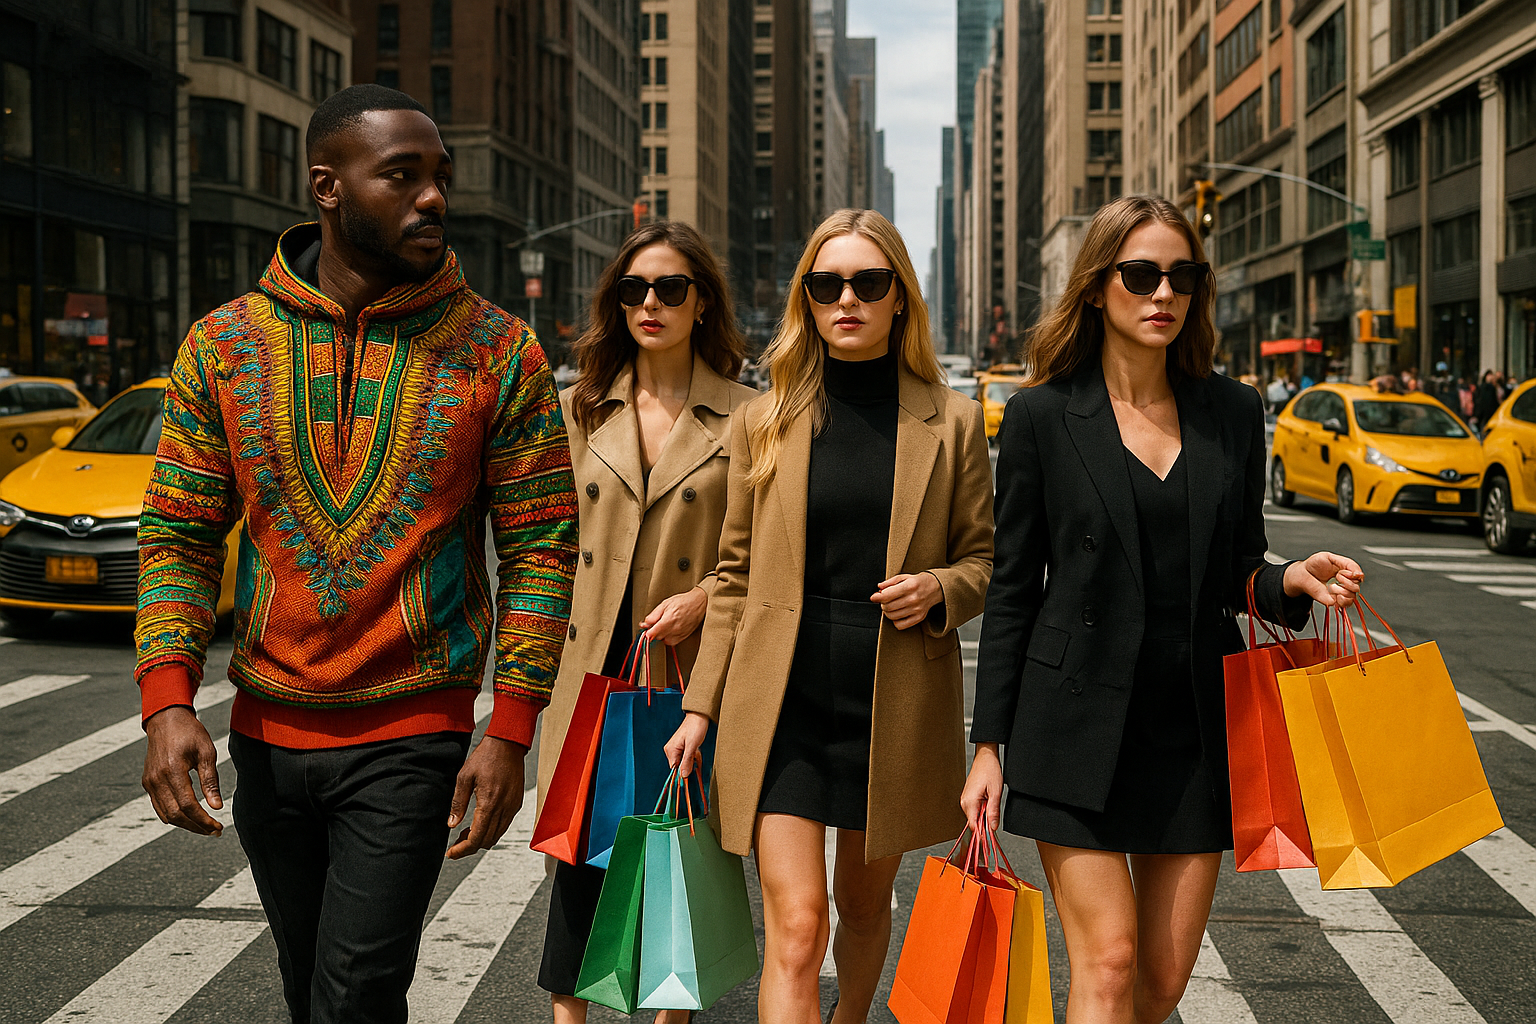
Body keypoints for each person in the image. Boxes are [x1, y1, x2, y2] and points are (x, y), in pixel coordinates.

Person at [135, 85, 579, 1024]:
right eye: (402, 176)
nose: (434, 196)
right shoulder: (223, 344)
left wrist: (511, 728)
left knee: (358, 994)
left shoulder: (500, 351)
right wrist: (167, 702)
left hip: (413, 736)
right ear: (327, 187)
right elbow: (179, 529)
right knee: (310, 990)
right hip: (266, 737)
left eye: (440, 176)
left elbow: (542, 545)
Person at [961, 194, 1362, 1024]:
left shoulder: (1232, 411)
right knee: (1107, 963)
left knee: (1162, 983)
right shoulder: (1042, 415)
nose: (1164, 294)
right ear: (1097, 287)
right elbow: (1013, 590)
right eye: (1141, 275)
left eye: (1183, 277)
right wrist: (989, 746)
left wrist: (1291, 580)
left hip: (1192, 732)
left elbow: (1236, 568)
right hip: (1073, 728)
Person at [665, 209, 994, 1024]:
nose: (847, 300)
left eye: (869, 283)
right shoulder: (765, 419)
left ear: (899, 297)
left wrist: (939, 589)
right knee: (799, 925)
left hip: (894, 699)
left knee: (864, 906)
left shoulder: (952, 422)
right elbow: (734, 577)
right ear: (806, 300)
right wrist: (701, 708)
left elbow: (985, 562)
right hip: (783, 697)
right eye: (827, 285)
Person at [538, 222, 756, 1023]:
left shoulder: (747, 416)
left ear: (703, 303)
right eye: (634, 289)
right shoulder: (582, 408)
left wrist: (704, 598)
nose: (651, 303)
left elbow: (764, 557)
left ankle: (671, 1018)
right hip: (593, 667)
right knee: (580, 859)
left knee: (675, 849)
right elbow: (546, 541)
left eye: (671, 288)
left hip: (688, 670)